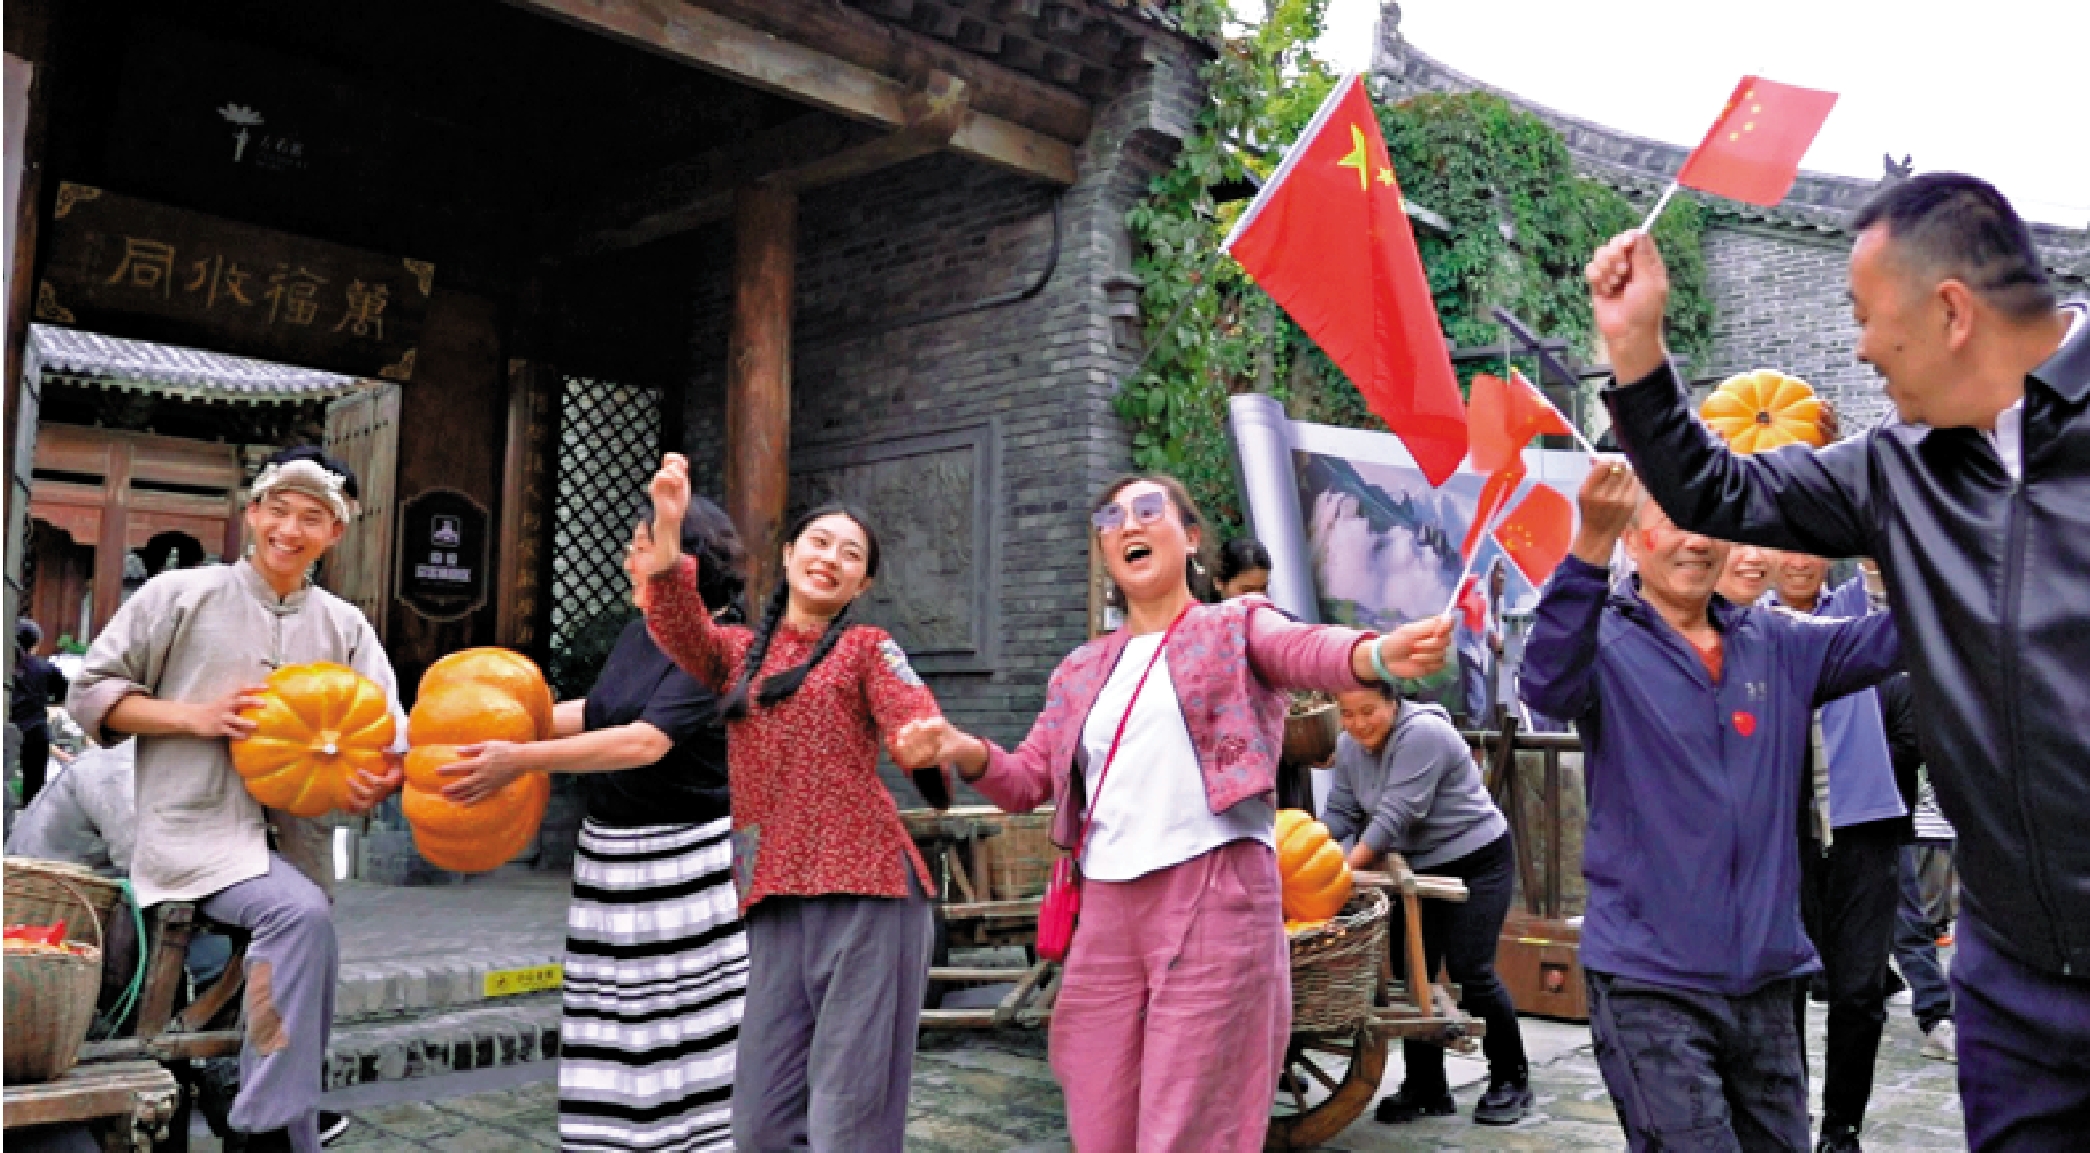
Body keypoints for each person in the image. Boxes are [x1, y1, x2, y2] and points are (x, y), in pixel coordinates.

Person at [1587, 171, 2090, 1148]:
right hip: (2010, 988)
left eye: (1864, 318)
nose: (1856, 348)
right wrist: (1635, 347)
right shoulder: (1894, 471)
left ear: (1948, 311)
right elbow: (1709, 486)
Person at [891, 473, 1452, 1153]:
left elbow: (1300, 649)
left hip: (1214, 894)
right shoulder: (1080, 668)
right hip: (1103, 912)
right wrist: (962, 747)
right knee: (1099, 1113)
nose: (1127, 524)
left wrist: (1372, 654)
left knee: (1190, 1125)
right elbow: (1027, 779)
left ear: (1189, 538)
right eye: (1110, 517)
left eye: (1149, 509)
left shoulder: (1235, 624)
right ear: (1103, 549)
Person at [1520, 463, 1900, 1153]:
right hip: (1650, 979)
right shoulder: (1604, 642)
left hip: (1766, 979)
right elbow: (1544, 683)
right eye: (1674, 519)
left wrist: (1889, 542)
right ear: (1633, 537)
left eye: (1711, 523)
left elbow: (1895, 638)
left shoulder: (1778, 642)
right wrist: (1588, 546)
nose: (1697, 540)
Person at [68, 445, 405, 1153]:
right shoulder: (180, 596)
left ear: (334, 533)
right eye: (278, 510)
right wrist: (195, 717)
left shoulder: (345, 626)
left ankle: (279, 1118)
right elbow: (91, 693)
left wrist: (381, 775)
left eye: (312, 517)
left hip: (295, 843)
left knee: (303, 934)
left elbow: (387, 732)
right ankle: (266, 1132)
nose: (291, 528)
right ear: (252, 514)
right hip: (192, 833)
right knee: (301, 915)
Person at [634, 454, 953, 1153]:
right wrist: (667, 520)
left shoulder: (869, 647)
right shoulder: (739, 653)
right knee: (762, 1125)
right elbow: (677, 623)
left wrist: (921, 743)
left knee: (849, 1123)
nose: (831, 558)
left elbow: (910, 714)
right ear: (787, 553)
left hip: (868, 891)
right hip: (774, 891)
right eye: (819, 541)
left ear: (862, 582)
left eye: (851, 554)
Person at [442, 496, 748, 1153]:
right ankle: (613, 1140)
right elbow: (600, 711)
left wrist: (520, 759)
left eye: (640, 546)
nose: (627, 559)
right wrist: (466, 729)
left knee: (676, 1023)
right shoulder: (645, 630)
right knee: (612, 1016)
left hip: (679, 868)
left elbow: (642, 741)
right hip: (611, 862)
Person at [1321, 682, 1530, 1126]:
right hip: (1416, 867)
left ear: (1393, 703)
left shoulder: (1423, 735)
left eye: (1368, 710)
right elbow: (1341, 811)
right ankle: (1426, 1087)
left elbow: (1397, 814)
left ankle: (1511, 1079)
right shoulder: (1349, 745)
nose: (1358, 723)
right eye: (1348, 713)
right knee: (1412, 975)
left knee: (1471, 969)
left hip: (1477, 859)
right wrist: (1310, 847)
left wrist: (1338, 876)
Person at [1763, 553, 1912, 1153]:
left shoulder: (1853, 608)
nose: (1797, 560)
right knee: (1783, 988)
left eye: (1810, 544)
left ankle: (1842, 1128)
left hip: (1863, 823)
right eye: (1784, 545)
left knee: (1859, 989)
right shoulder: (1749, 621)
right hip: (1776, 830)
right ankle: (1785, 1122)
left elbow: (1896, 597)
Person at [1893, 764, 1957, 1062]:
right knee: (1915, 923)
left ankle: (1936, 1015)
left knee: (1916, 922)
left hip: (1921, 829)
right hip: (1919, 830)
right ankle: (1936, 1015)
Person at [12, 618, 69, 806]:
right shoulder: (45, 668)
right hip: (35, 734)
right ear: (36, 644)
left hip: (8, 729)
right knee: (34, 790)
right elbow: (64, 692)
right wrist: (47, 703)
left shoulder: (8, 666)